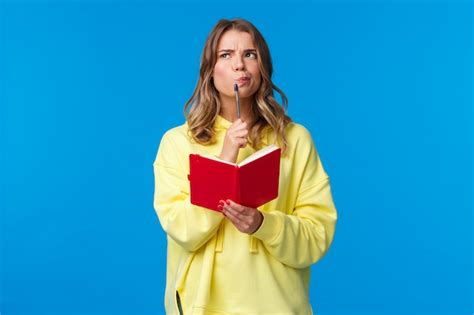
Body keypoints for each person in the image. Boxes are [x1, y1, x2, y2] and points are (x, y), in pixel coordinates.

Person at [153, 18, 338, 315]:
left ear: (262, 66)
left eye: (249, 54)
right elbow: (182, 229)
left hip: (277, 306)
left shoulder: (294, 140)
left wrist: (264, 225)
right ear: (210, 69)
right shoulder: (177, 143)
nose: (239, 64)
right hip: (202, 307)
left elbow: (317, 236)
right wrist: (225, 160)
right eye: (226, 55)